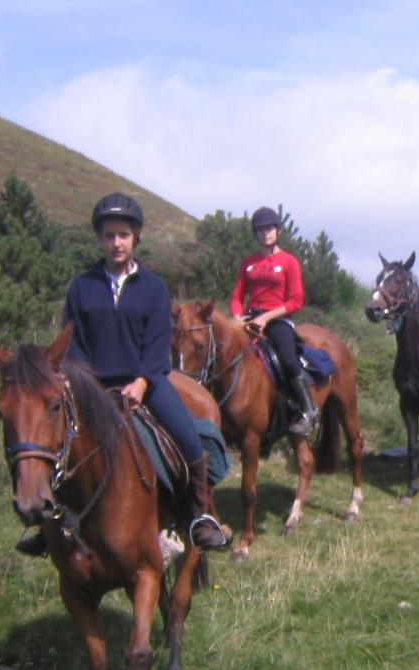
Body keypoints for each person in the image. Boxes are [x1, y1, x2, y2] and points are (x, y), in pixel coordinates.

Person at [18, 192, 226, 555]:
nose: (116, 242)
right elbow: (73, 340)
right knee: (54, 443)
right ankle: (51, 524)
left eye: (123, 235)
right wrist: (85, 383)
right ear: (100, 239)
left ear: (135, 239)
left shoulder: (154, 288)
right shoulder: (83, 287)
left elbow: (158, 342)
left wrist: (142, 382)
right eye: (109, 235)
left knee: (189, 441)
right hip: (90, 386)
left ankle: (196, 515)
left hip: (146, 381)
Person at [229, 206, 316, 435]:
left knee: (288, 361)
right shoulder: (248, 262)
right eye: (260, 230)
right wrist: (237, 317)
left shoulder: (289, 262)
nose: (265, 233)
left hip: (278, 320)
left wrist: (267, 317)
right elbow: (237, 296)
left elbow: (296, 300)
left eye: (269, 228)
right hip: (249, 319)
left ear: (277, 231)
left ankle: (308, 410)